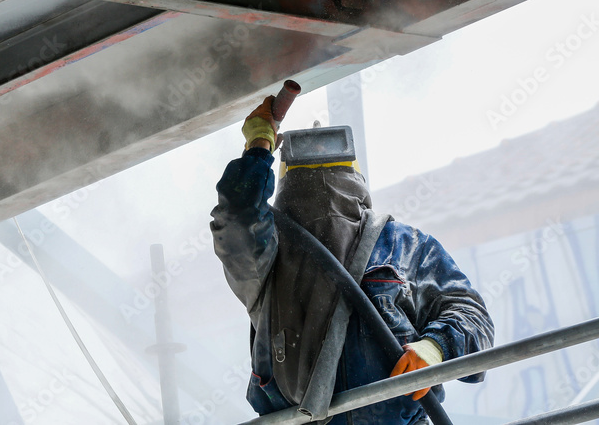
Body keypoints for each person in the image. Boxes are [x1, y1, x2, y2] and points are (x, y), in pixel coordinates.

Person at [211, 95, 494, 424]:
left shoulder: (405, 246)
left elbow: (470, 313)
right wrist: (260, 146)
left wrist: (436, 347)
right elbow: (237, 218)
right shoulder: (268, 254)